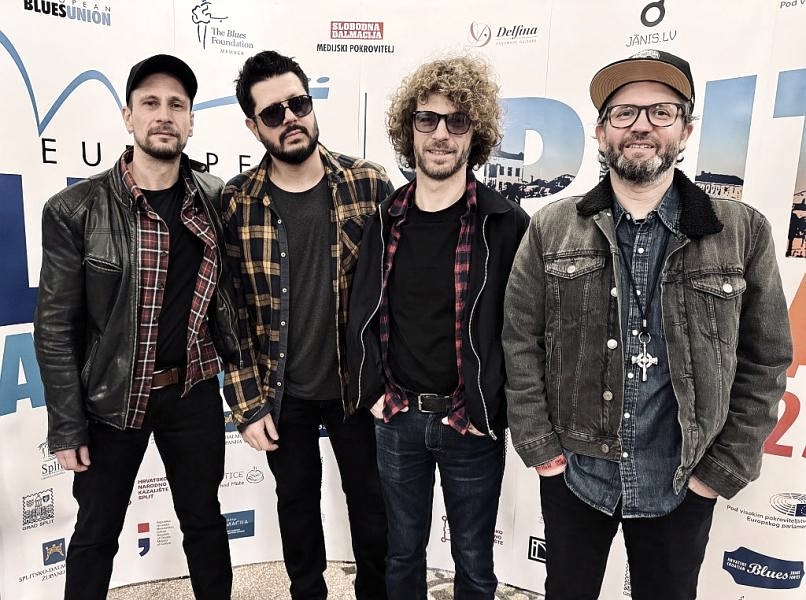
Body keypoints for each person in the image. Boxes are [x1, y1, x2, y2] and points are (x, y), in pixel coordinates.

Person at [503, 49, 792, 600]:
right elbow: (520, 340)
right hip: (576, 473)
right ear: (601, 132)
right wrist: (541, 450)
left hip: (683, 479)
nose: (641, 125)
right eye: (624, 113)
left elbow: (766, 359)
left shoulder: (741, 231)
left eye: (661, 111)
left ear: (685, 130)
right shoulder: (551, 227)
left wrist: (721, 471)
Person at [33, 54, 237, 600]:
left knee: (205, 523)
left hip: (192, 392)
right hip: (110, 398)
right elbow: (54, 327)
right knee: (96, 534)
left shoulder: (217, 200)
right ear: (128, 116)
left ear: (191, 120)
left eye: (176, 105)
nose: (163, 115)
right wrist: (67, 424)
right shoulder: (75, 209)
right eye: (150, 103)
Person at [346, 56, 529, 599]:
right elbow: (361, 313)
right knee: (402, 555)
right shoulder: (385, 220)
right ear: (410, 130)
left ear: (477, 134)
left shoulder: (505, 224)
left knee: (474, 562)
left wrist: (487, 408)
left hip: (469, 424)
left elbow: (524, 330)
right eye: (427, 119)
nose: (441, 134)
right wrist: (374, 395)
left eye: (457, 121)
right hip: (397, 419)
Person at [222, 50, 391, 600]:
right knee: (296, 508)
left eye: (298, 103)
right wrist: (246, 403)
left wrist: (389, 380)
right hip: (281, 392)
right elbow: (230, 311)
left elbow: (396, 293)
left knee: (373, 509)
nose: (290, 118)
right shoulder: (237, 202)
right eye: (273, 113)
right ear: (253, 126)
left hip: (357, 388)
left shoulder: (368, 183)